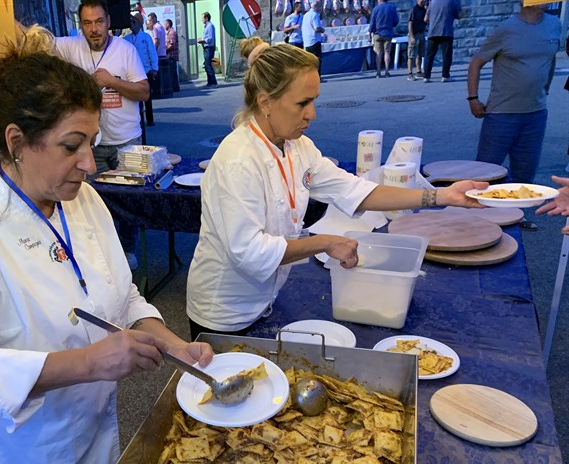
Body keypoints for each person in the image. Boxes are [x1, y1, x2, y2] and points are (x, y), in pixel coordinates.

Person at [0, 26, 213, 464]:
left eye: (91, 143)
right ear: (17, 142)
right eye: (72, 146)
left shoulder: (84, 201)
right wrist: (90, 363)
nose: (89, 165)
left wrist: (170, 343)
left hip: (89, 440)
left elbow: (123, 299)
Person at [185, 37, 487, 338]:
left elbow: (355, 189)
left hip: (265, 298)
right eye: (302, 103)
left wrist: (441, 195)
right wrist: (325, 242)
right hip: (224, 312)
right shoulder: (239, 160)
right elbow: (250, 253)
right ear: (265, 102)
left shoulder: (296, 147)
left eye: (314, 100)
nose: (312, 114)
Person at [55, 0, 149, 270]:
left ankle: (129, 252)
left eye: (98, 22)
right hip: (91, 145)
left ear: (108, 21)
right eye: (87, 23)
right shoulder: (72, 47)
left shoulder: (125, 50)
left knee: (129, 203)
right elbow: (37, 40)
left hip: (126, 141)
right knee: (94, 203)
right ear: (80, 25)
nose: (94, 29)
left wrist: (111, 81)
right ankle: (104, 256)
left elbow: (143, 92)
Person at [467, 1, 560, 185]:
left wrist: (545, 89)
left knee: (525, 177)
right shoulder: (506, 29)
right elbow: (475, 64)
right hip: (501, 115)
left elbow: (550, 58)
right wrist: (473, 99)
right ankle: (475, 211)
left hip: (536, 115)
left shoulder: (554, 24)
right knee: (484, 173)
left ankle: (518, 213)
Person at [124, 12, 159, 127]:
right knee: (135, 98)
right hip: (132, 72)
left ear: (139, 24)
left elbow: (152, 53)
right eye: (130, 22)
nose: (131, 24)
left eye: (134, 22)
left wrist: (154, 68)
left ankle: (150, 119)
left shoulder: (145, 37)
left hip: (145, 71)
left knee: (147, 97)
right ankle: (137, 120)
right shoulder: (126, 39)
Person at [422, 0, 461, 83]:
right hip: (446, 31)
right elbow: (459, 15)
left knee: (429, 55)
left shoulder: (432, 2)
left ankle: (426, 76)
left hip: (432, 32)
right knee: (446, 55)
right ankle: (445, 75)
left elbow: (426, 19)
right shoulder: (452, 2)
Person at [369, 0, 399, 78]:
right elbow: (396, 21)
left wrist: (369, 33)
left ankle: (378, 72)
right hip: (388, 33)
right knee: (387, 52)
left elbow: (372, 23)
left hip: (377, 33)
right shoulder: (392, 7)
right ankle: (386, 71)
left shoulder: (375, 9)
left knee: (378, 53)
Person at [301, 0, 326, 77]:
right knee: (317, 60)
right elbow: (317, 28)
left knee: (310, 61)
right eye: (320, 6)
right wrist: (323, 30)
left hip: (307, 41)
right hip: (314, 40)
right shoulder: (315, 15)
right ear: (316, 7)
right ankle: (317, 77)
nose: (321, 8)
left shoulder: (306, 15)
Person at [407, 0, 427, 80]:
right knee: (411, 54)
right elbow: (410, 23)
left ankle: (418, 71)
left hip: (421, 33)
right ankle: (410, 73)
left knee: (420, 54)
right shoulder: (413, 10)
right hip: (414, 34)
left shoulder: (424, 10)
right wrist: (411, 36)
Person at [197, 12, 217, 87]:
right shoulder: (206, 26)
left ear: (206, 18)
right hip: (206, 47)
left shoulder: (210, 26)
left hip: (209, 48)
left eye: (202, 18)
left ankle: (213, 82)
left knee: (208, 65)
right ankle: (210, 82)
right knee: (206, 65)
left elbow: (210, 38)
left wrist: (202, 40)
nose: (201, 20)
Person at [164, 18, 181, 92]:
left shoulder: (172, 33)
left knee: (172, 72)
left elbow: (172, 45)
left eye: (165, 24)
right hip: (171, 55)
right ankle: (175, 87)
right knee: (172, 72)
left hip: (172, 55)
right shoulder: (169, 32)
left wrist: (166, 50)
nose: (164, 25)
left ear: (168, 24)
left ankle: (174, 88)